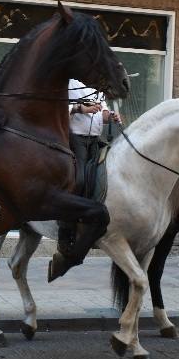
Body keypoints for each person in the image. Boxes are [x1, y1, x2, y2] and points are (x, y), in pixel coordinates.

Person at [56, 79, 122, 253]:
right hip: (75, 140)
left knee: (105, 179)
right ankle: (65, 230)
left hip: (95, 141)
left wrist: (111, 116)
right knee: (79, 180)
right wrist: (80, 108)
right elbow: (58, 109)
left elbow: (103, 112)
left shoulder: (98, 85)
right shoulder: (69, 83)